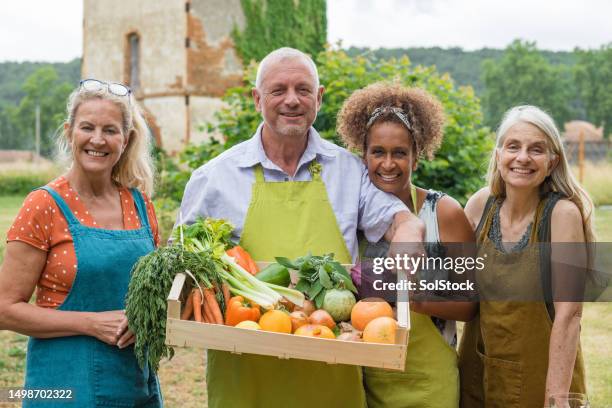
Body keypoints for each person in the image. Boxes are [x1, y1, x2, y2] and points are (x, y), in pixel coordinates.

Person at [177, 47, 424, 408]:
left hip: (331, 369)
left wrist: (408, 231)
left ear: (319, 98)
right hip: (244, 370)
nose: (292, 100)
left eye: (303, 90)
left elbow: (397, 218)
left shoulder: (348, 171)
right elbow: (178, 257)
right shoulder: (215, 177)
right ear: (257, 99)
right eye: (278, 90)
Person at [0, 79, 163, 407]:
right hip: (63, 384)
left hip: (134, 382)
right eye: (87, 127)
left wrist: (146, 317)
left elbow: (154, 293)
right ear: (69, 131)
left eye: (111, 130)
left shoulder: (140, 205)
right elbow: (5, 309)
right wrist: (91, 323)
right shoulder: (44, 204)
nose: (98, 140)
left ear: (126, 139)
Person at [337, 82, 477, 408]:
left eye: (399, 153)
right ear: (363, 155)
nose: (388, 164)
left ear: (417, 156)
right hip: (366, 381)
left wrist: (415, 299)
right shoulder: (351, 215)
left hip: (430, 383)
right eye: (378, 152)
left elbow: (472, 305)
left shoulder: (444, 212)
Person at [459, 105, 592, 407]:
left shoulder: (561, 215)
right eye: (513, 146)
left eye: (536, 149)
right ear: (498, 154)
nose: (522, 158)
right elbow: (455, 285)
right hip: (479, 372)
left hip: (543, 379)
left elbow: (570, 315)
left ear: (552, 161)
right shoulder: (480, 206)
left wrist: (556, 398)